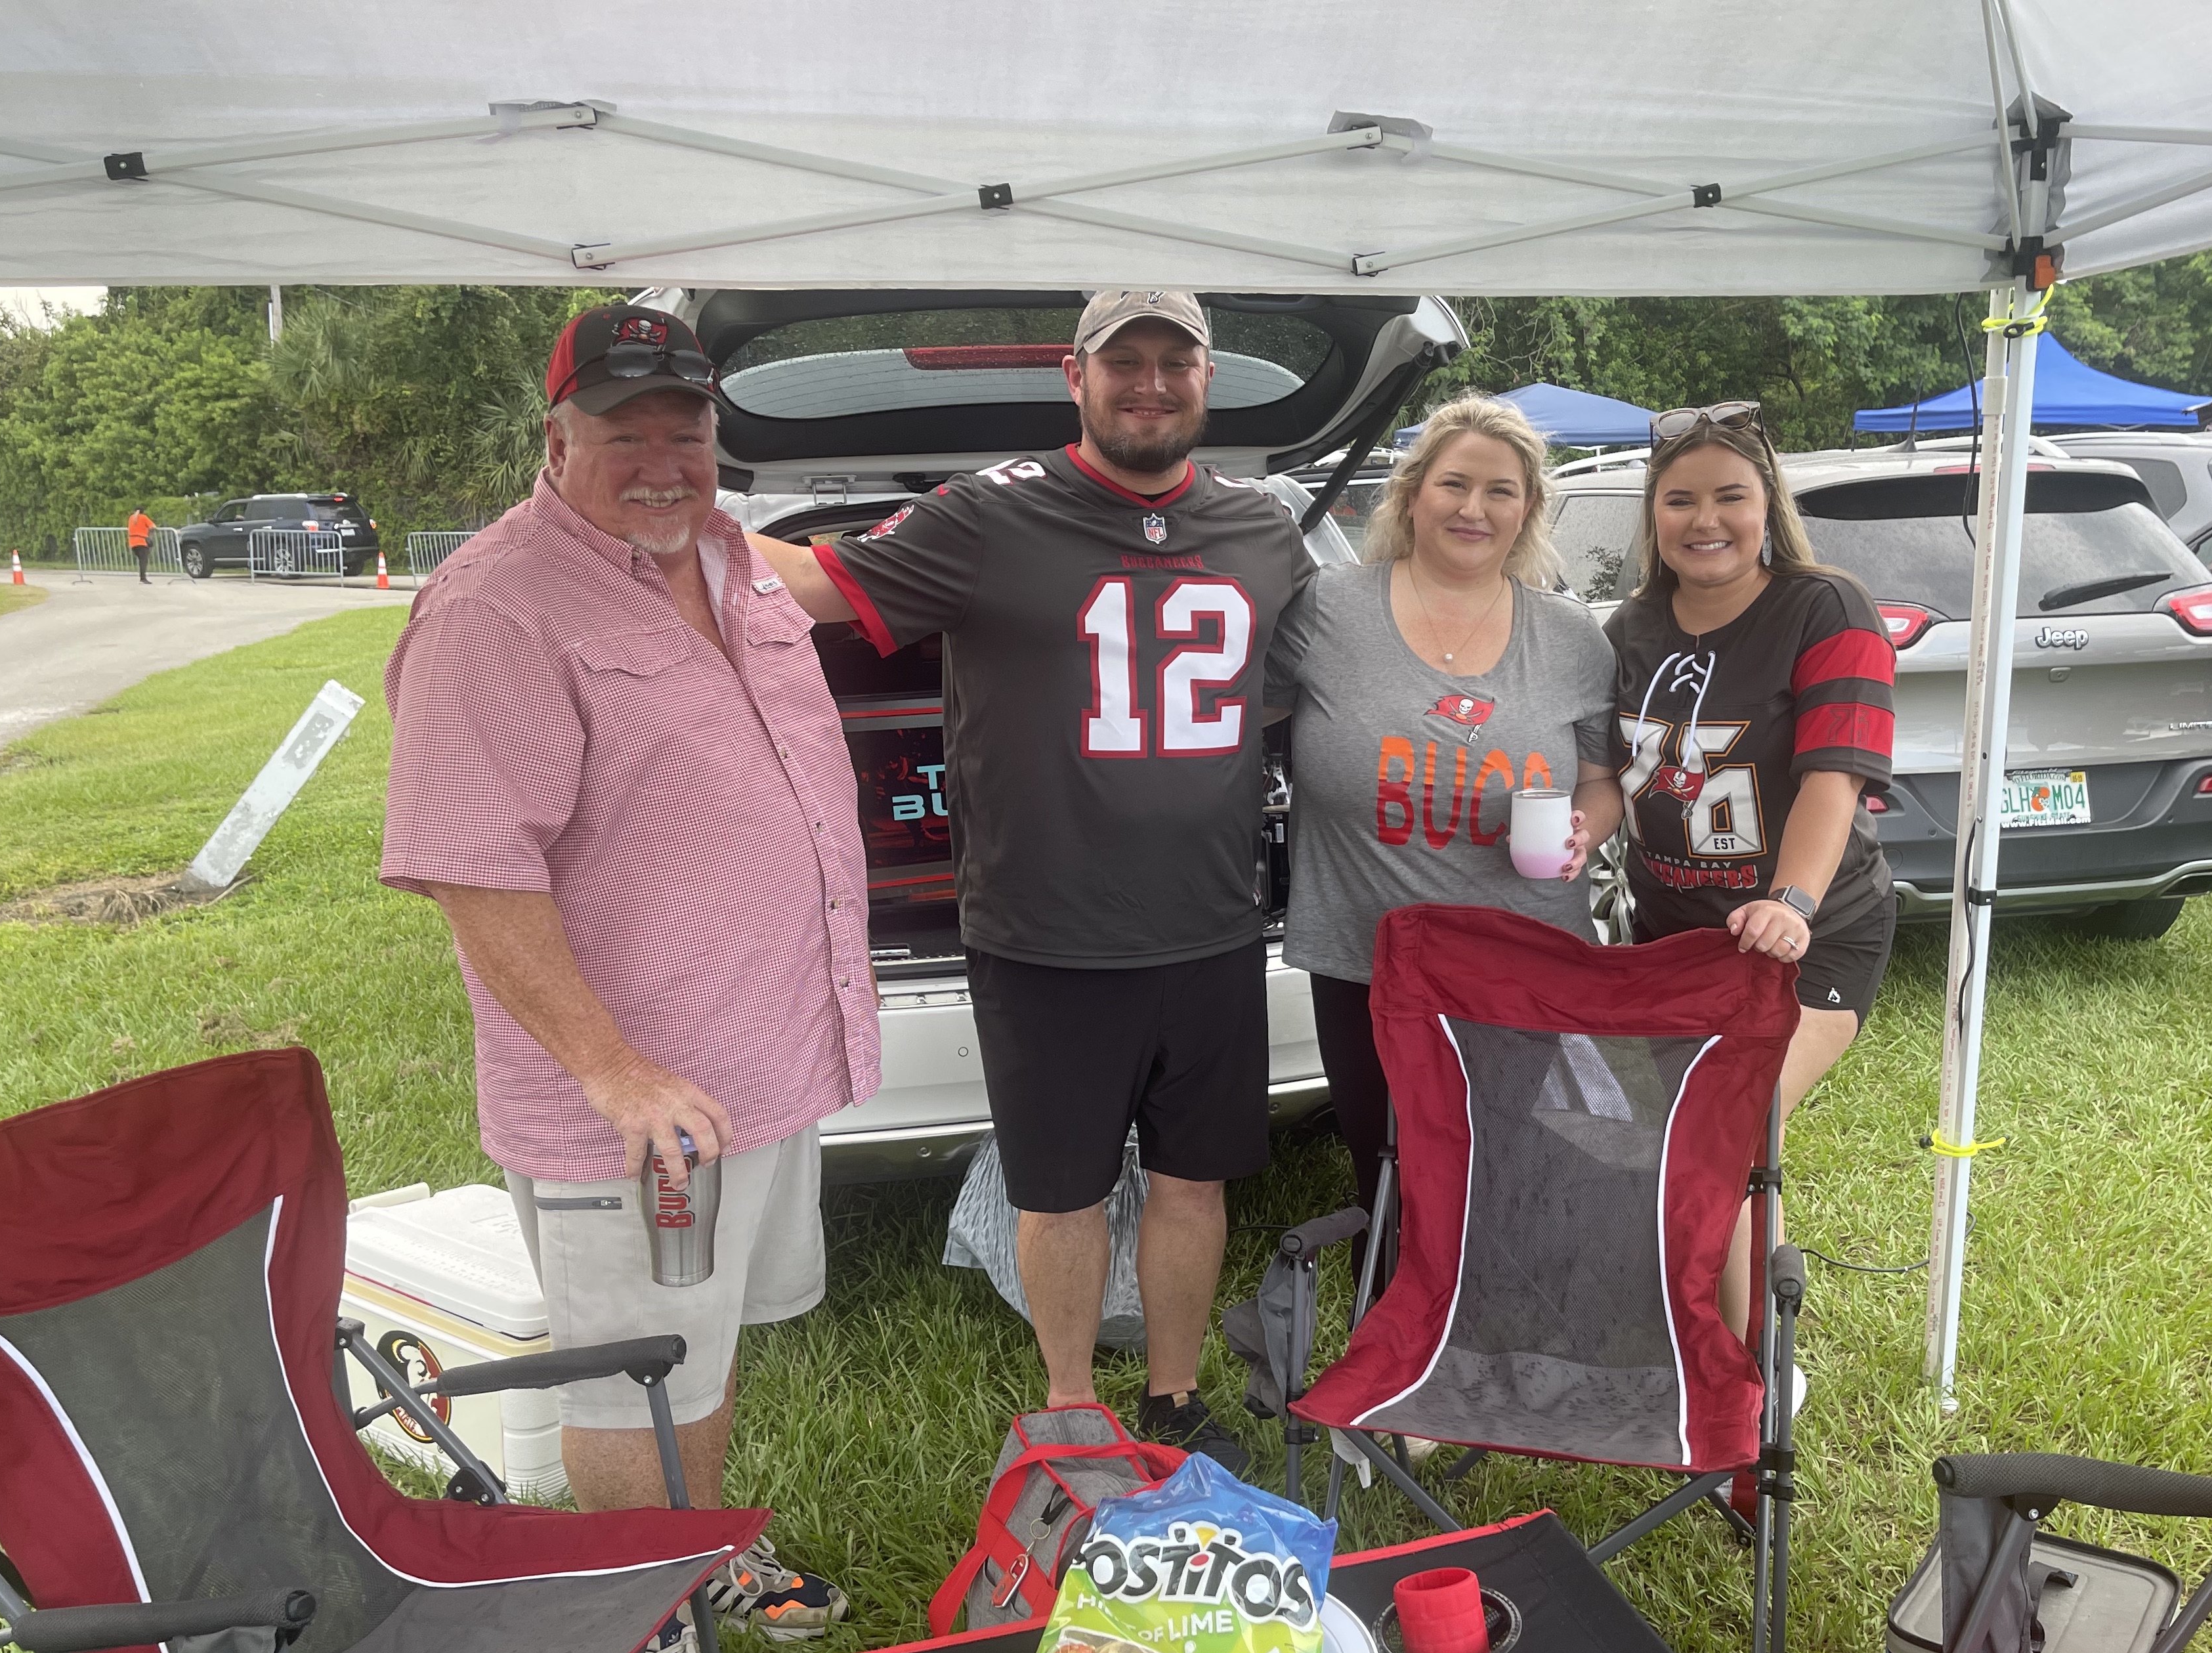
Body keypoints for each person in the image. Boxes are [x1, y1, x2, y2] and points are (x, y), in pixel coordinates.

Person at [381, 305, 866, 1653]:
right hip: (636, 1101)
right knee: (632, 1382)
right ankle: (638, 1635)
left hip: (765, 1062)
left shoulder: (730, 558)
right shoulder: (497, 603)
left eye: (687, 430)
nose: (662, 460)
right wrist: (612, 1071)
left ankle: (691, 1565)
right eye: (624, 432)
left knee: (695, 1354)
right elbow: (475, 871)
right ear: (556, 437)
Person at [746, 289, 1310, 1472]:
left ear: (1206, 379)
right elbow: (800, 587)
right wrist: (663, 499)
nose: (1148, 383)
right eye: (1124, 362)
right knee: (1057, 1189)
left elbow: (1337, 671)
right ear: (1076, 374)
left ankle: (1171, 1393)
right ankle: (1067, 1403)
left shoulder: (1264, 528)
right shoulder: (988, 516)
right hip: (1047, 931)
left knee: (1193, 1182)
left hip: (1211, 922)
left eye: (1174, 361)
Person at [1269, 393, 1620, 1209]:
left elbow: (1603, 783)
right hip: (1366, 956)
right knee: (1385, 1166)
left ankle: (1502, 1327)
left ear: (1528, 509)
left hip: (1524, 955)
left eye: (1501, 490)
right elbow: (1235, 714)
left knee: (1514, 1168)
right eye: (1455, 484)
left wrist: (1584, 830)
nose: (1475, 508)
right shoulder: (1326, 610)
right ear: (1413, 492)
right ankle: (1399, 1318)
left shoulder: (1572, 637)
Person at [1601, 401, 1896, 1335]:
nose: (1706, 519)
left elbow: (1833, 779)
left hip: (1811, 934)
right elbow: (1612, 775)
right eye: (1680, 499)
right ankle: (1705, 1337)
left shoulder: (1825, 607)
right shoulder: (1629, 631)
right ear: (1654, 516)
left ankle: (1760, 1371)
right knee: (1694, 1147)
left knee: (1727, 1131)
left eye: (1730, 496)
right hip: (1674, 943)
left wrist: (1792, 901)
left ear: (1768, 505)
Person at [127, 505, 154, 583]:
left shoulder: (131, 518)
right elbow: (153, 526)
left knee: (141, 560)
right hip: (141, 542)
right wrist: (149, 535)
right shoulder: (143, 517)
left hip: (132, 542)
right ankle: (143, 578)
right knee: (144, 561)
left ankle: (142, 577)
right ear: (143, 511)